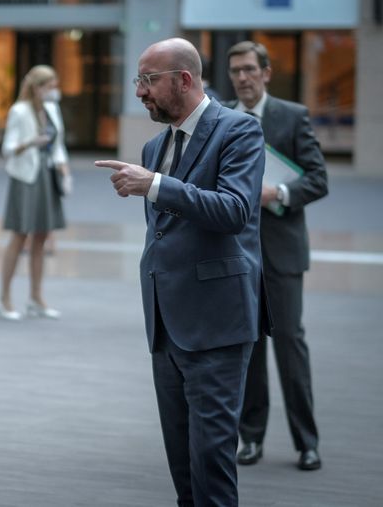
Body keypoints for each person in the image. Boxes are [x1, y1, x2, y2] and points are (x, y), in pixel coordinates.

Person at [95, 37, 267, 506]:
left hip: (216, 325)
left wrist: (155, 185)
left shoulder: (239, 131)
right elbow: (167, 232)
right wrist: (155, 183)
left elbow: (234, 211)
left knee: (211, 463)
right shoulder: (154, 146)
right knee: (182, 466)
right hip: (167, 325)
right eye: (139, 81)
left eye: (148, 81)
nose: (139, 92)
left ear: (184, 80)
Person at [227, 40, 328, 471]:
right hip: (237, 254)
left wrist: (279, 192)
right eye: (236, 71)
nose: (243, 78)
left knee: (289, 348)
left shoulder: (292, 116)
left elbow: (318, 179)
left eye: (250, 69)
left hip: (282, 253)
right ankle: (251, 439)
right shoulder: (224, 119)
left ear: (266, 73)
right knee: (247, 348)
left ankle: (307, 442)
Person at [0, 65, 69, 320]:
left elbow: (58, 144)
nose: (54, 92)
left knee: (42, 236)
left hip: (47, 175)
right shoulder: (19, 111)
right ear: (37, 88)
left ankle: (36, 297)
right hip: (25, 177)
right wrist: (31, 143)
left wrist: (63, 168)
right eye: (50, 87)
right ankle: (4, 298)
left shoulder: (51, 109)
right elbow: (8, 148)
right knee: (19, 236)